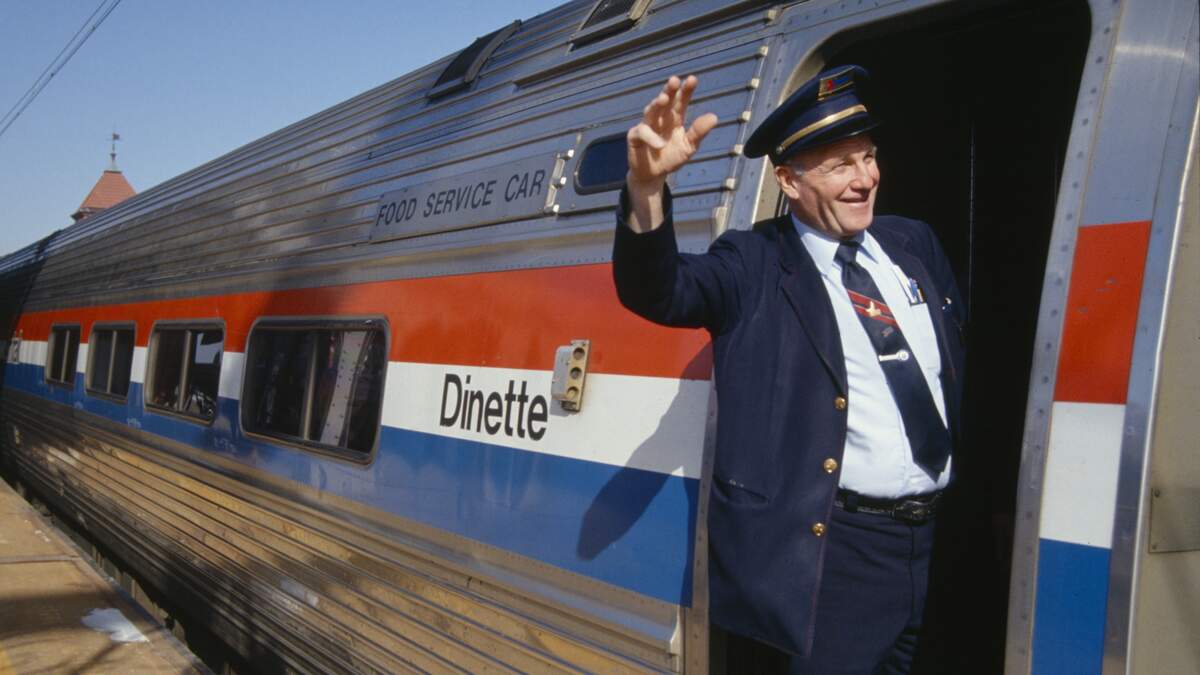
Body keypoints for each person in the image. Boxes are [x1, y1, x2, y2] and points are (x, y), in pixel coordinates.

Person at [612, 66, 966, 674]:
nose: (865, 179)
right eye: (840, 166)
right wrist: (646, 188)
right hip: (836, 556)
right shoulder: (751, 263)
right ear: (789, 180)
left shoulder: (914, 245)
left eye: (868, 157)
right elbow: (660, 290)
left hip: (929, 543)